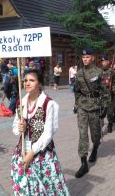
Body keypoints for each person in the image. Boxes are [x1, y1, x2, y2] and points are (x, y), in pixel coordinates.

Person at [11, 70, 70, 195]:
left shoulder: (49, 104)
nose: (27, 83)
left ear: (40, 84)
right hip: (22, 151)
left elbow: (48, 133)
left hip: (42, 155)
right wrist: (20, 127)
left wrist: (32, 153)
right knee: (25, 186)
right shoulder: (20, 103)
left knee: (45, 186)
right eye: (25, 80)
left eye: (32, 80)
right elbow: (15, 127)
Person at [74, 47, 108, 178]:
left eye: (87, 57)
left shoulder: (99, 72)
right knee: (82, 134)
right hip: (83, 106)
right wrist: (76, 104)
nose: (85, 59)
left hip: (94, 106)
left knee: (95, 134)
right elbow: (76, 90)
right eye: (83, 57)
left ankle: (95, 148)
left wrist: (105, 106)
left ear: (93, 57)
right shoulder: (79, 73)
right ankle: (83, 163)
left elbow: (105, 90)